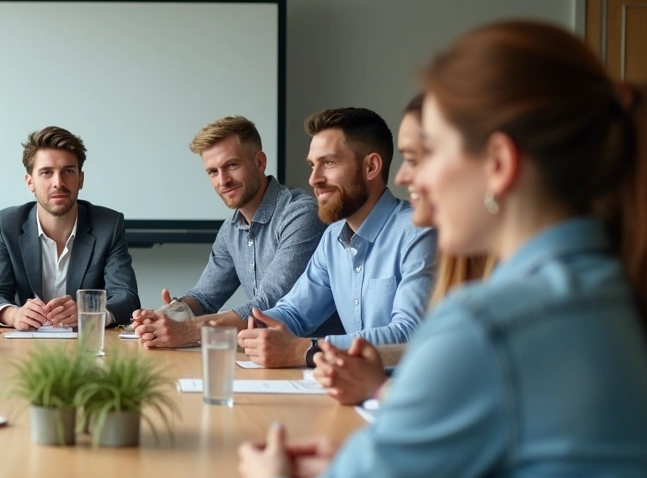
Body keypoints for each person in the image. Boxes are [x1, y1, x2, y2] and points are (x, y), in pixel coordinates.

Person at [239, 20, 647, 478]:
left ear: (499, 165)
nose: (408, 179)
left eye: (428, 153)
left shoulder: (489, 325)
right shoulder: (613, 288)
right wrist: (398, 472)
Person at [314, 94, 492, 404]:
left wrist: (311, 350)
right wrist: (378, 388)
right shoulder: (468, 261)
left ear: (496, 164)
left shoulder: (520, 293)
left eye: (417, 159)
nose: (400, 177)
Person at [237, 108, 438, 368]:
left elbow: (408, 334)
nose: (314, 179)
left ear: (371, 167)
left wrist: (306, 350)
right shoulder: (332, 237)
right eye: (313, 165)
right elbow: (295, 311)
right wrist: (262, 326)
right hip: (351, 386)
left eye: (329, 163)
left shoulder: (418, 232)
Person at [131, 115, 333, 348]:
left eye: (232, 165)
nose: (223, 181)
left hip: (318, 356)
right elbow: (204, 297)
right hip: (266, 355)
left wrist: (188, 329)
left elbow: (270, 303)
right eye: (212, 171)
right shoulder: (231, 229)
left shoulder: (300, 214)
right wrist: (167, 315)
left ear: (260, 162)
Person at [0, 126, 140, 329]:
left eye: (68, 171)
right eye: (46, 173)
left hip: (86, 343)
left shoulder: (108, 225)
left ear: (81, 179)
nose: (58, 182)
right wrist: (14, 314)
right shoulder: (7, 225)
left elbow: (127, 297)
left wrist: (89, 313)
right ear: (30, 182)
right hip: (26, 342)